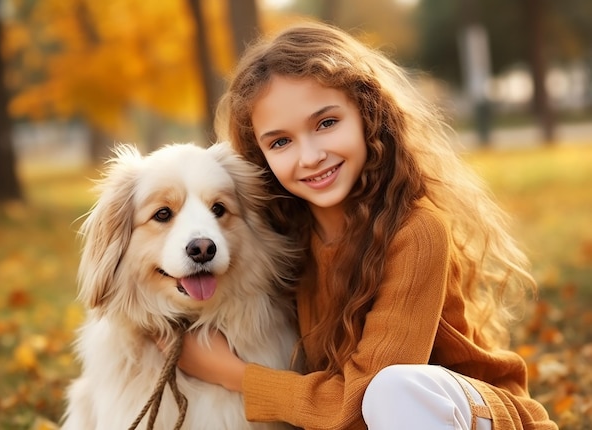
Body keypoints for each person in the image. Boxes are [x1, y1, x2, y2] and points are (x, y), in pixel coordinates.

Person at [174, 21, 557, 430]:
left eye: (325, 123)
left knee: (391, 389)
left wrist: (229, 372)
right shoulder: (283, 237)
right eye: (280, 142)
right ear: (260, 155)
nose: (310, 156)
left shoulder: (416, 232)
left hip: (466, 415)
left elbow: (357, 402)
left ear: (367, 114)